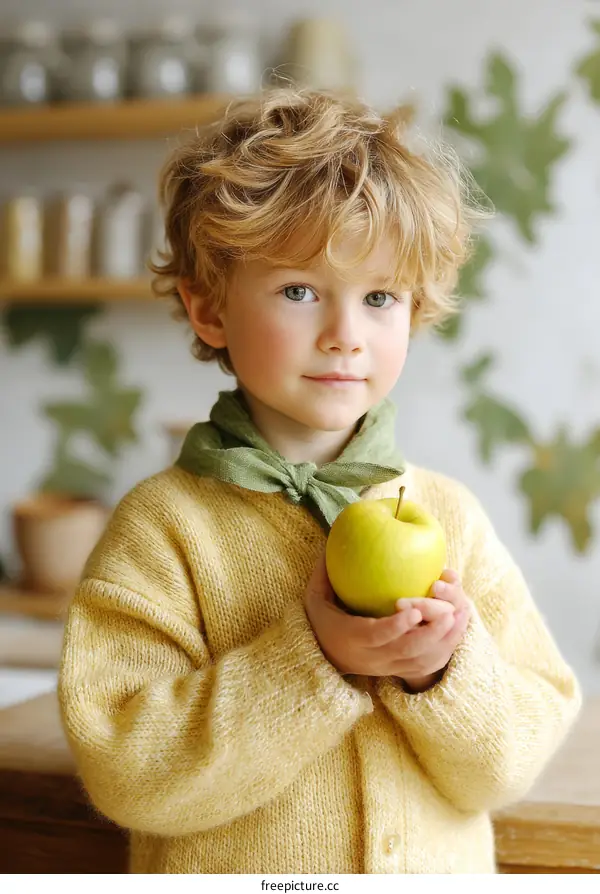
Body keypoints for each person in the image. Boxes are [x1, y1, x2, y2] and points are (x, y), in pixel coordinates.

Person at [58, 89, 581, 875]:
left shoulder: (451, 517)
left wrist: (443, 671)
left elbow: (512, 764)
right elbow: (125, 769)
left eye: (379, 298)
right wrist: (314, 662)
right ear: (209, 310)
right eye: (300, 291)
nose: (345, 337)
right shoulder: (163, 528)